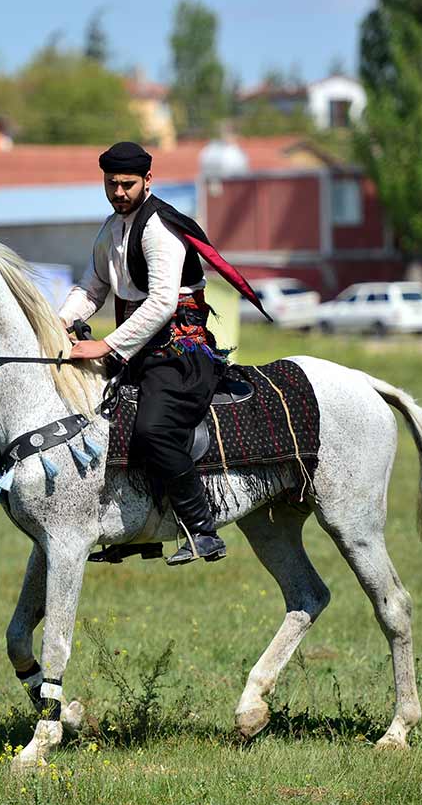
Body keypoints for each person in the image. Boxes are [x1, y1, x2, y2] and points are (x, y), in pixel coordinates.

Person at [59, 141, 269, 565]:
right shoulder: (110, 229)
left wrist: (106, 345)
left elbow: (160, 304)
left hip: (180, 352)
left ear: (147, 181)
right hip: (139, 351)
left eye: (127, 185)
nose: (119, 192)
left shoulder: (159, 229)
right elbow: (92, 288)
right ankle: (142, 529)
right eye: (112, 184)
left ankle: (203, 530)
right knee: (107, 426)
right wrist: (57, 325)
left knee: (153, 430)